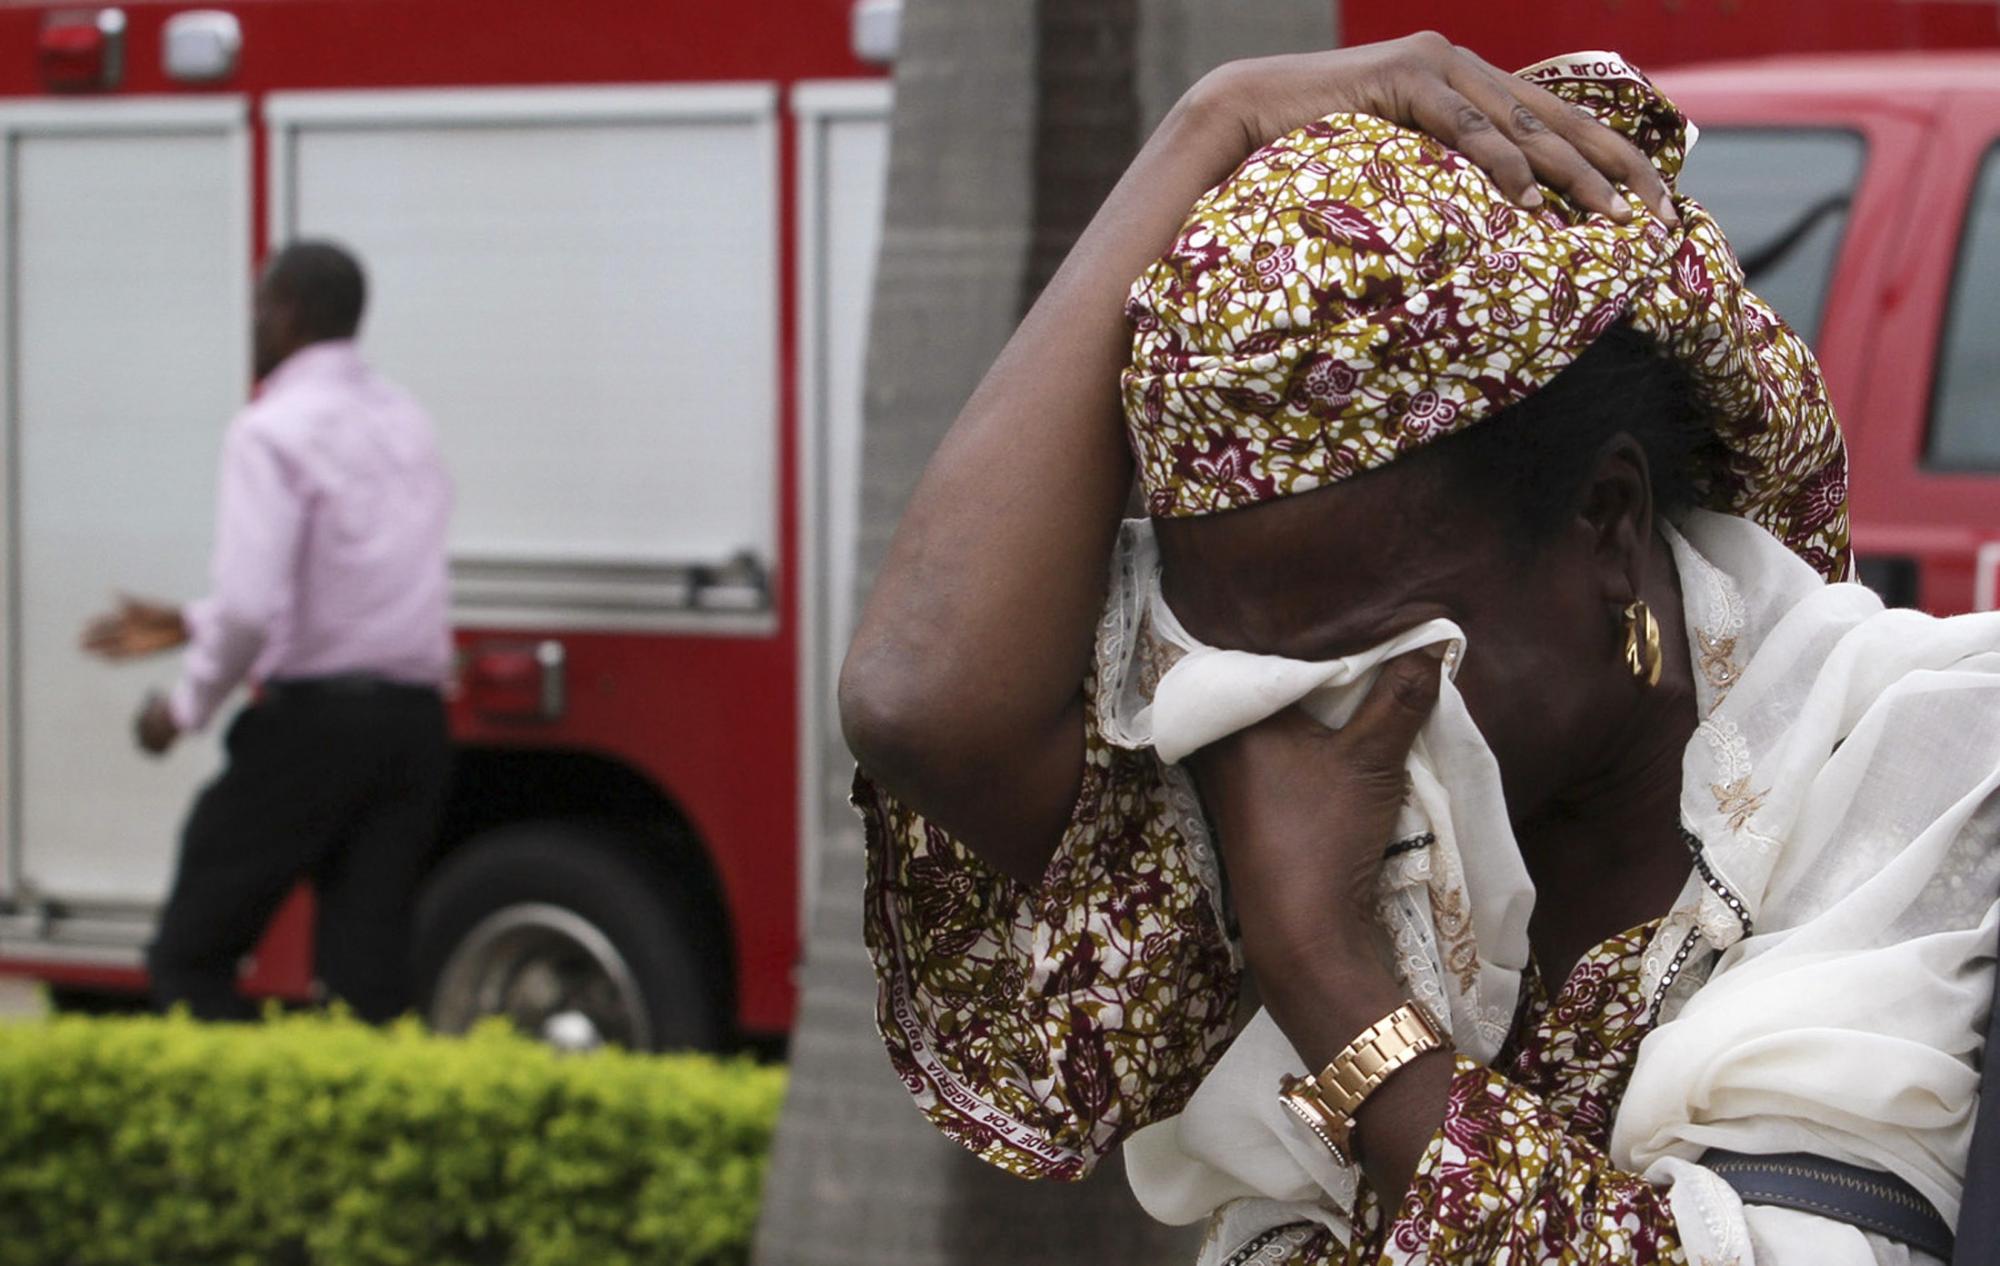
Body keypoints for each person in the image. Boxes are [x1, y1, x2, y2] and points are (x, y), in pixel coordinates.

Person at [839, 34, 1998, 1266]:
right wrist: (1210, 124)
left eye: (1369, 654)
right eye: (1245, 665)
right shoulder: (1300, 781)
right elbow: (921, 706)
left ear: (1602, 525)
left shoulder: (1909, 762)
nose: (1298, 716)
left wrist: (1329, 976)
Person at [83, 240, 453, 1024]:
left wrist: (182, 710)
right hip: (414, 730)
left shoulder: (271, 430)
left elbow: (254, 607)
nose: (251, 325)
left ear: (286, 312)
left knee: (191, 959)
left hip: (314, 729)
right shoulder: (407, 421)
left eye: (257, 307)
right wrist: (192, 620)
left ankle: (240, 1123)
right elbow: (349, 581)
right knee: (367, 991)